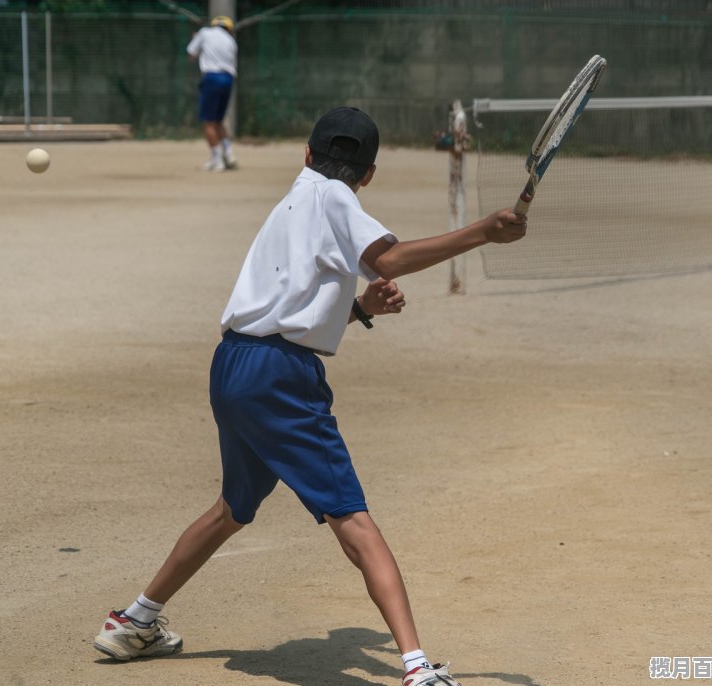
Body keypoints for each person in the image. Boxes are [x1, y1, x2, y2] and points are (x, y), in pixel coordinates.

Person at [93, 106, 527, 686]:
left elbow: (288, 311)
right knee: (352, 516)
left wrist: (359, 309)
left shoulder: (297, 195)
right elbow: (389, 260)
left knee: (232, 508)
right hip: (281, 379)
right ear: (368, 174)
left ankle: (134, 619)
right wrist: (482, 233)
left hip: (233, 365)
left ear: (306, 154)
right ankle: (418, 669)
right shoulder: (337, 198)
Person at [186, 15, 238, 172]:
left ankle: (217, 160)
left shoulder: (204, 33)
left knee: (208, 122)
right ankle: (229, 154)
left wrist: (197, 40)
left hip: (212, 78)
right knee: (218, 120)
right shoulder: (231, 42)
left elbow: (191, 54)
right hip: (228, 79)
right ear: (229, 28)